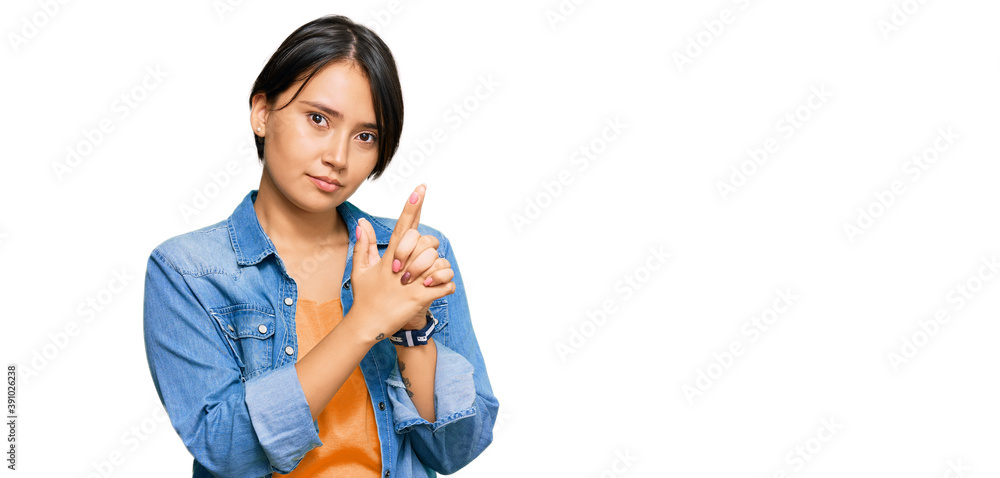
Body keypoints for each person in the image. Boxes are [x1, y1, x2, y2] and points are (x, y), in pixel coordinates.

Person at [142, 14, 498, 477]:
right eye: (318, 119)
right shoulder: (189, 271)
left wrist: (411, 332)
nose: (339, 157)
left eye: (365, 136)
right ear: (262, 113)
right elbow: (227, 451)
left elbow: (455, 450)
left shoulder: (411, 255)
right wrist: (365, 322)